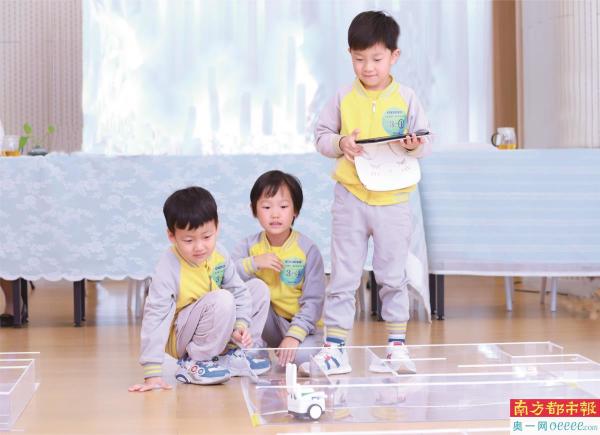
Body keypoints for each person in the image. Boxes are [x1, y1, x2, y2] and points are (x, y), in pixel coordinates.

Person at [313, 10, 431, 375]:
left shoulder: (407, 97)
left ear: (394, 56)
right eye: (359, 58)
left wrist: (413, 144)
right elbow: (321, 137)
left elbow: (424, 142)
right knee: (344, 276)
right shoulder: (343, 97)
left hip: (393, 202)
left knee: (393, 276)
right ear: (349, 54)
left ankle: (396, 347)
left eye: (376, 59)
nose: (368, 67)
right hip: (350, 198)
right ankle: (335, 349)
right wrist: (340, 143)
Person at [129, 186, 271, 392]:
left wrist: (240, 325)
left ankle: (232, 354)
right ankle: (196, 361)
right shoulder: (169, 266)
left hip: (215, 321)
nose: (199, 247)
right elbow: (155, 316)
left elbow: (239, 291)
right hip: (183, 336)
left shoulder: (219, 253)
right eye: (188, 240)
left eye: (206, 237)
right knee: (223, 298)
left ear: (217, 228)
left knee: (257, 288)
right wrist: (152, 372)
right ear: (172, 236)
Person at [232, 170, 325, 367]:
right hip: (266, 325)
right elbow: (227, 279)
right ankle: (257, 348)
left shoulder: (308, 249)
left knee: (301, 358)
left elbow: (314, 301)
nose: (275, 214)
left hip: (301, 326)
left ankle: (293, 346)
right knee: (255, 288)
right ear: (254, 210)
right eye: (266, 207)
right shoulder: (248, 246)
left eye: (283, 206)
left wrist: (293, 335)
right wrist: (253, 263)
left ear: (295, 210)